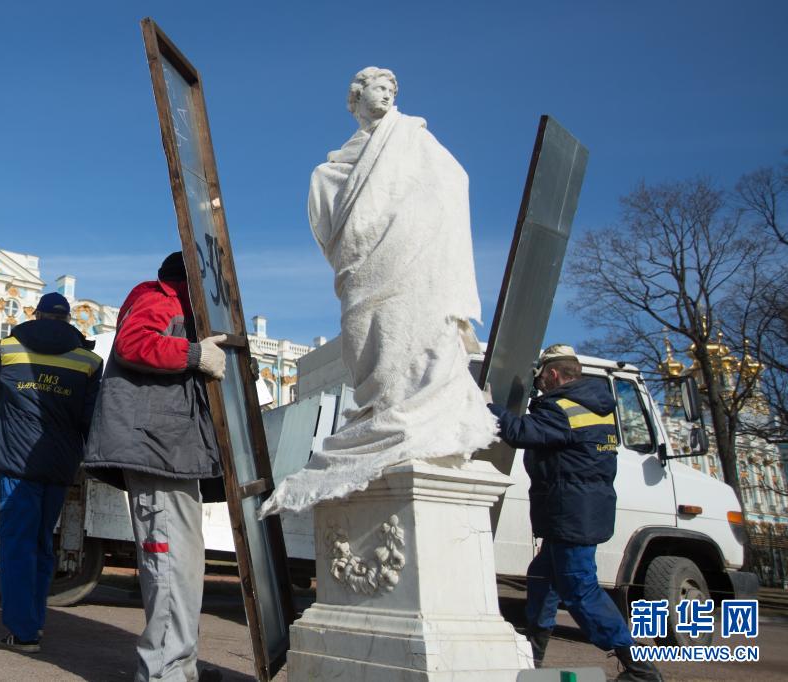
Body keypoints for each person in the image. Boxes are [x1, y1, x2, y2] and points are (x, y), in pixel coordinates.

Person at [262, 66, 495, 516]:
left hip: (409, 258)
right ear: (357, 96)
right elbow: (327, 215)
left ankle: (405, 413)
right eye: (378, 88)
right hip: (364, 267)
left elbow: (454, 180)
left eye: (391, 89)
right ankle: (379, 411)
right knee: (364, 337)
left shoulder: (412, 136)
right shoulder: (332, 168)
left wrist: (412, 220)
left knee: (411, 335)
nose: (387, 95)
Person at [83, 251, 227, 682]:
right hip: (156, 451)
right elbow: (132, 343)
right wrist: (195, 354)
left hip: (173, 453)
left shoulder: (179, 306)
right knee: (169, 567)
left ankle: (180, 666)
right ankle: (165, 673)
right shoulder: (161, 297)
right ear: (190, 280)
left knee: (184, 568)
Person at [484, 344, 663, 682]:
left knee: (580, 590)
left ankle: (640, 669)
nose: (539, 386)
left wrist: (489, 407)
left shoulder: (562, 409)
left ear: (552, 374)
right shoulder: (595, 407)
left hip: (571, 514)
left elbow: (521, 433)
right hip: (579, 511)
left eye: (540, 379)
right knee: (542, 579)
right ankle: (532, 657)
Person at [0, 292, 104, 653]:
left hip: (18, 462)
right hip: (59, 464)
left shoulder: (10, 348)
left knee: (17, 545)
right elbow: (90, 417)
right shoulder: (89, 361)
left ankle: (23, 632)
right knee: (41, 545)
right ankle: (34, 622)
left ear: (37, 315)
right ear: (67, 320)